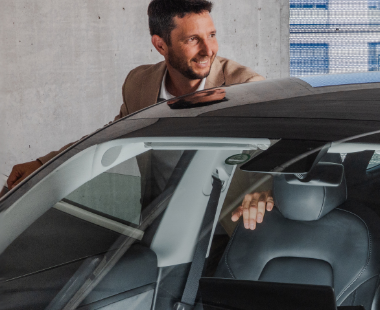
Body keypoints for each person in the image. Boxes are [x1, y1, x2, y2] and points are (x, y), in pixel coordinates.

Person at [3, 0, 270, 229]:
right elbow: (107, 138)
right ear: (161, 45)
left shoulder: (246, 89)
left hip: (224, 228)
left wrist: (263, 188)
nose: (208, 49)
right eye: (192, 39)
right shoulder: (139, 83)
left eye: (211, 35)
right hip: (158, 226)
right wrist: (42, 165)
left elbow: (272, 154)